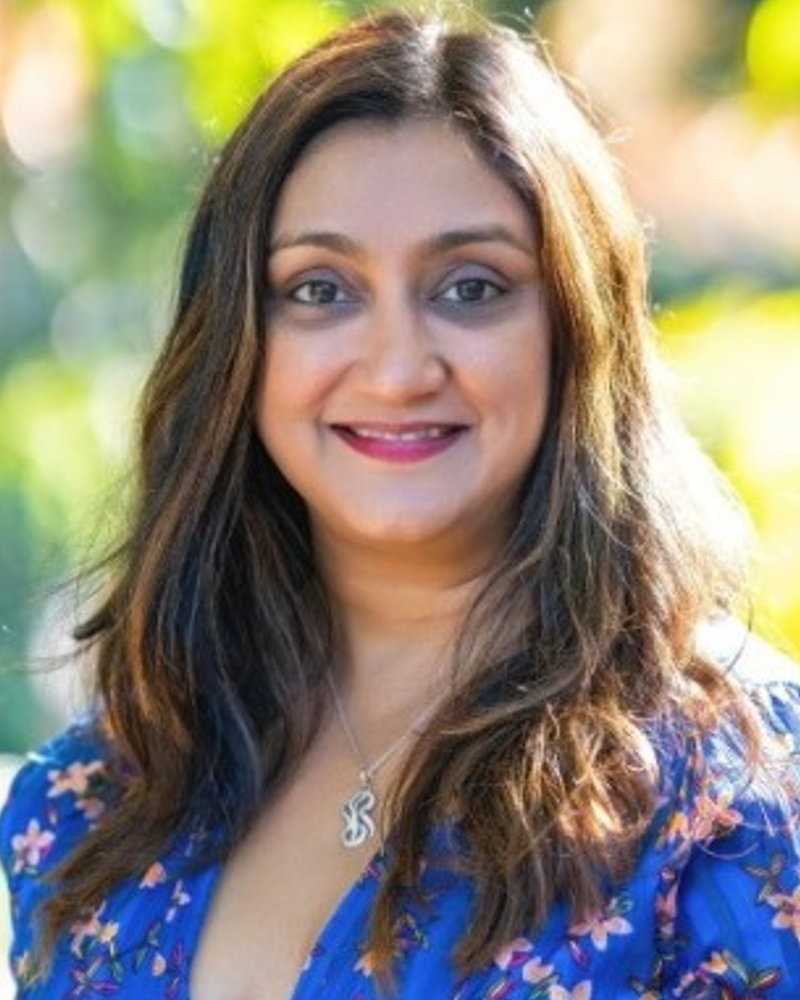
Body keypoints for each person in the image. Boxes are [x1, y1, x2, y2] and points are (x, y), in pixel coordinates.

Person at [2, 8, 800, 999]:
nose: (395, 367)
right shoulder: (101, 797)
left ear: (572, 328)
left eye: (469, 288)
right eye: (319, 290)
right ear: (236, 345)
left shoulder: (734, 794)